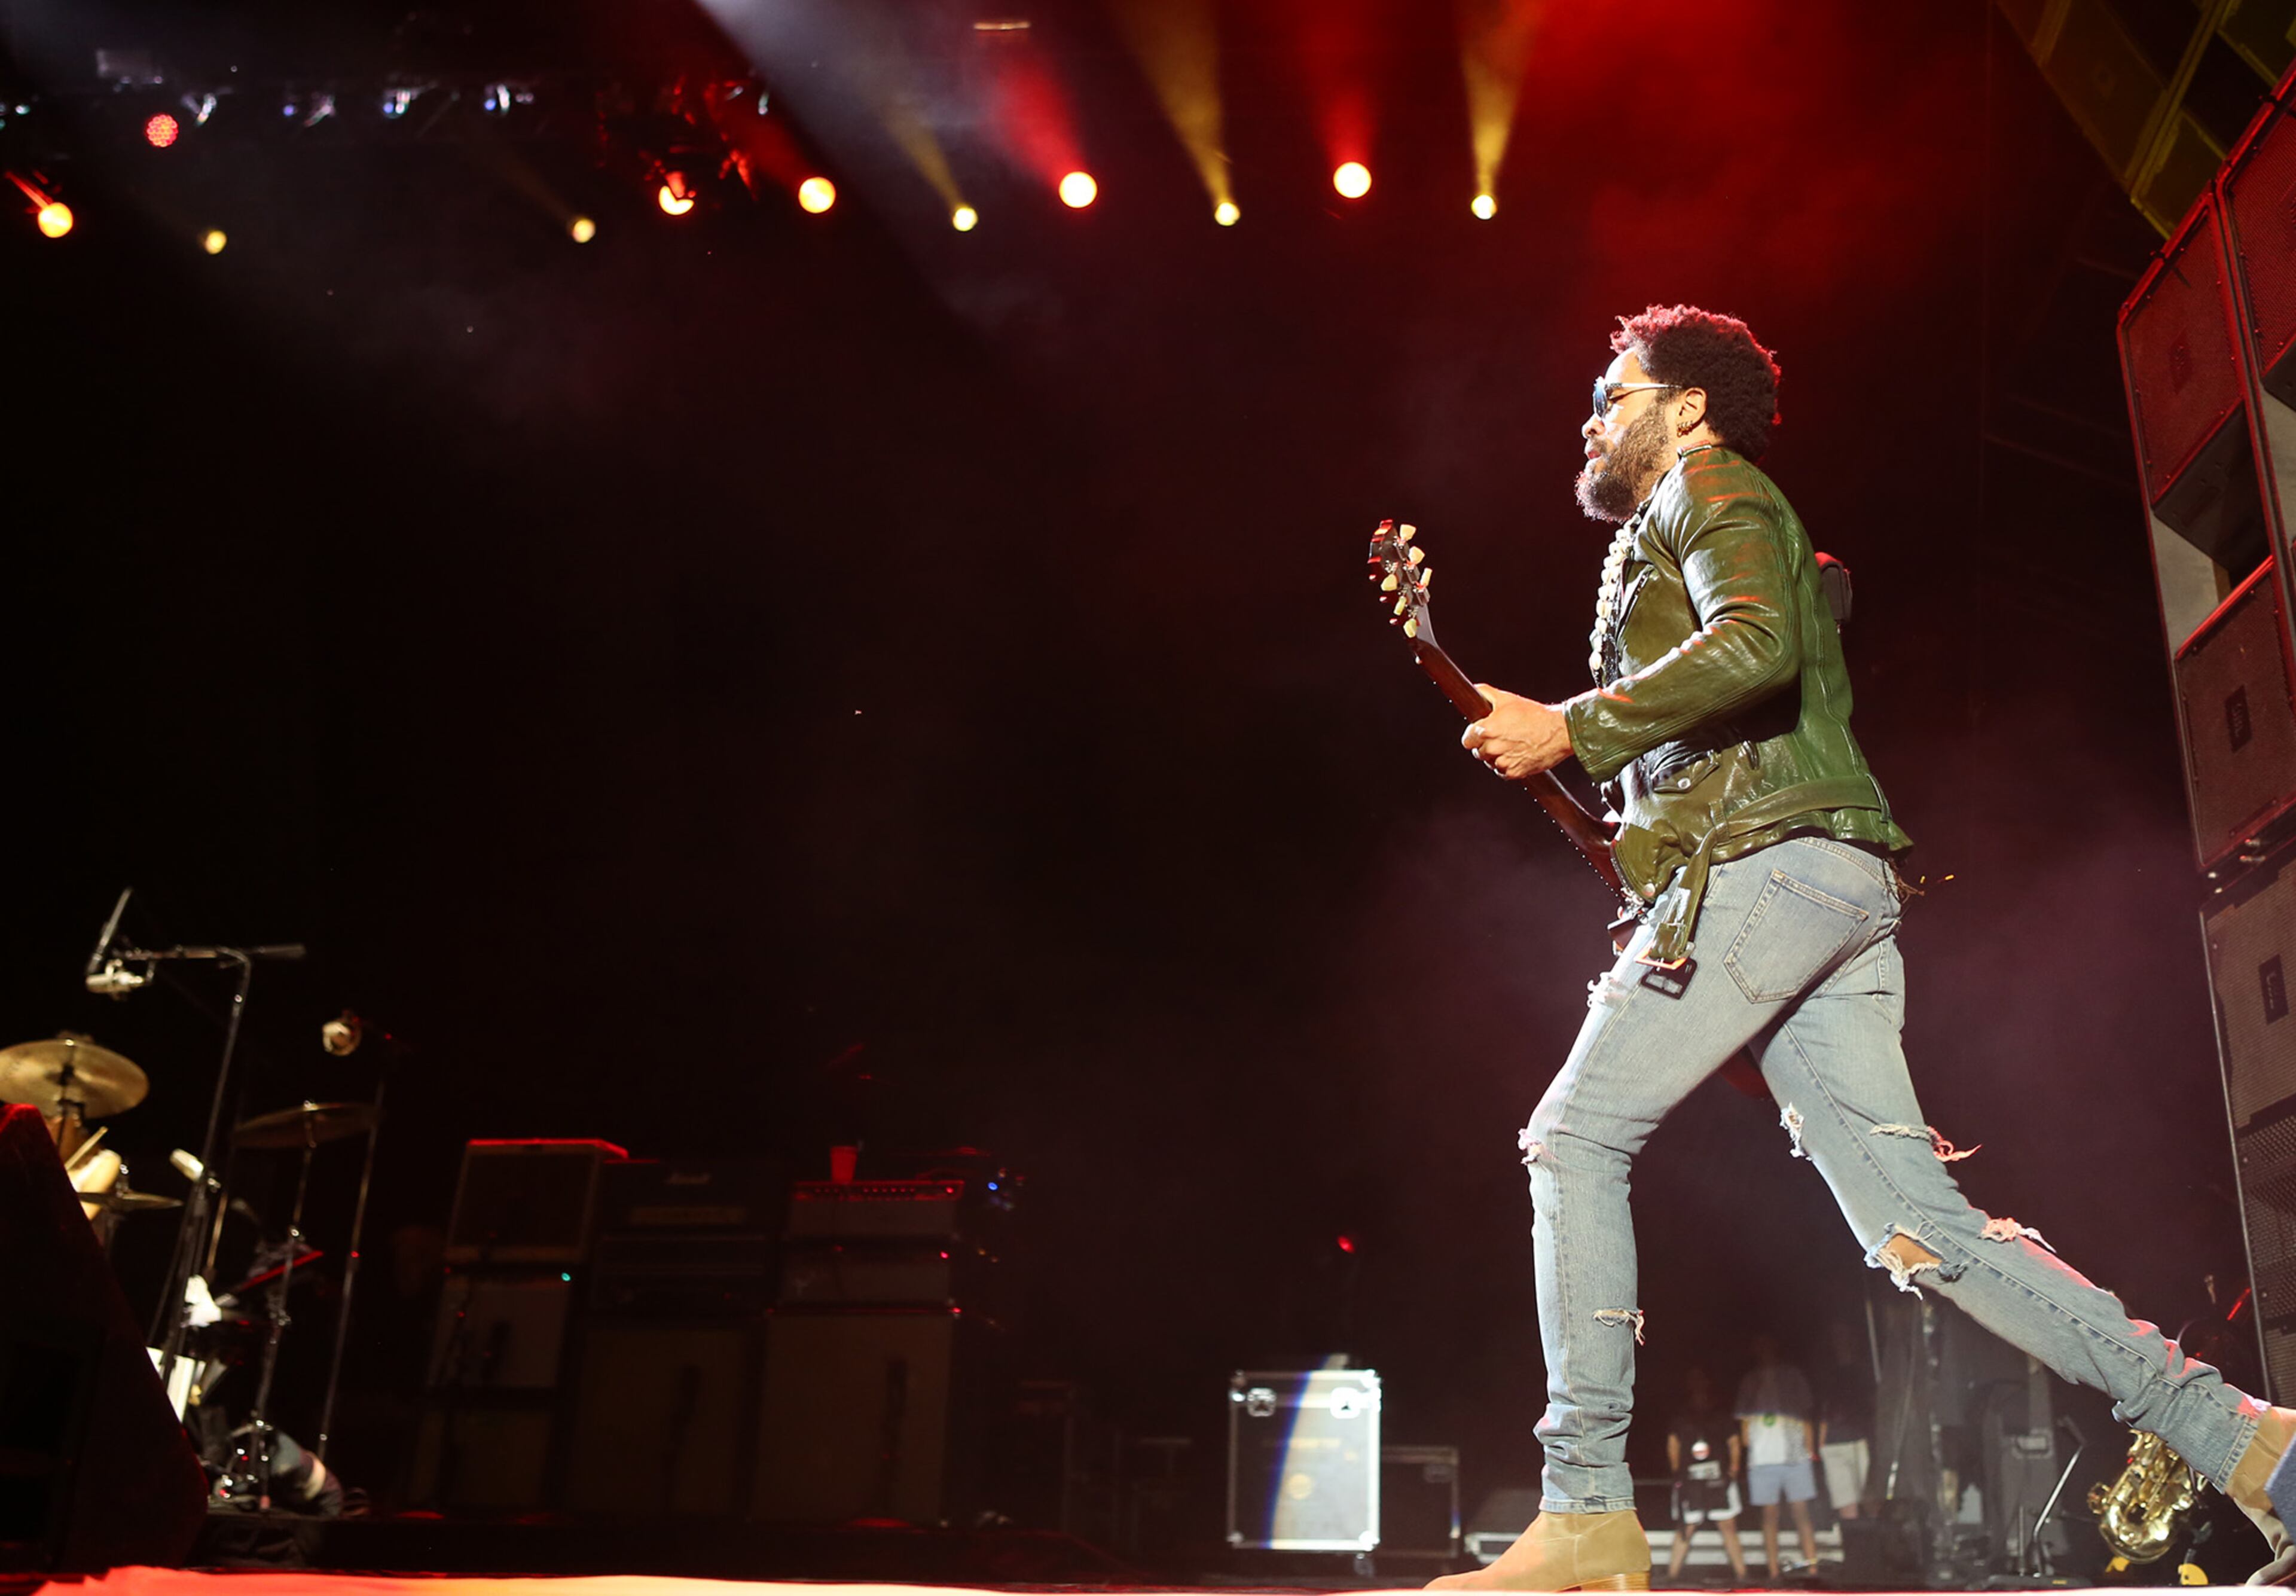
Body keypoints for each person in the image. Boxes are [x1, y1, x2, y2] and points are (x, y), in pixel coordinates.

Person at [1424, 305, 2296, 1593]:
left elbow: (1759, 646)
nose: (1594, 416)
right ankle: (2254, 1444)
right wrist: (1579, 757)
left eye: (1618, 392)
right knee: (1923, 1226)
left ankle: (1589, 1508)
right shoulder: (1694, 516)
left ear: (1689, 407)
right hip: (1822, 883)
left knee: (1575, 1134)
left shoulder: (1706, 486)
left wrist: (1572, 726)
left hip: (1771, 875)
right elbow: (1730, 703)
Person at [1735, 1334, 1819, 1579]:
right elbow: (1743, 1421)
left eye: (1769, 1347)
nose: (1765, 1352)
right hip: (1762, 1460)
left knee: (1801, 1512)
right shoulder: (1750, 1381)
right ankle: (1774, 1572)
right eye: (1760, 1348)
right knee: (1770, 1517)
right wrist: (1746, 1445)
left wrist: (1810, 1447)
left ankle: (1812, 1568)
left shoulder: (1792, 1376)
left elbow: (1806, 1413)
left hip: (1795, 1457)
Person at [1663, 1368, 1748, 1585]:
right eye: (1695, 1383)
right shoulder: (1681, 1415)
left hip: (1719, 1479)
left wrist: (1734, 1470)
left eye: (1703, 1383)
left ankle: (1743, 1576)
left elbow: (1733, 1442)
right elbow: (1673, 1443)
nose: (1699, 1388)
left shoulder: (1720, 1413)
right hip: (1690, 1481)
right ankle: (1671, 1577)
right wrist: (1677, 1473)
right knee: (1686, 1528)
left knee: (1728, 1526)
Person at [1814, 1317, 1876, 1522]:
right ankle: (1856, 1549)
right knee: (1845, 1502)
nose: (1840, 1340)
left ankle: (1877, 1546)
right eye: (1836, 1336)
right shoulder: (1826, 1370)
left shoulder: (1865, 1367)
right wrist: (1821, 1443)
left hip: (1860, 1440)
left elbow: (1872, 1403)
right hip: (1834, 1443)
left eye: (1844, 1335)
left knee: (1871, 1499)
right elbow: (1823, 1408)